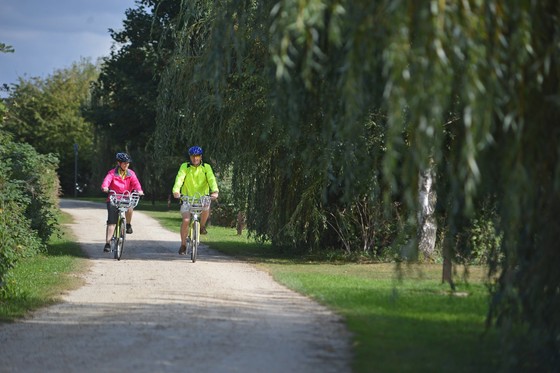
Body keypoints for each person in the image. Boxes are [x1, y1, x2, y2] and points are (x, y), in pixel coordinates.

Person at [172, 146, 219, 255]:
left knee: (206, 207)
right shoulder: (185, 167)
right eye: (193, 156)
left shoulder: (206, 167)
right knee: (186, 220)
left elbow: (211, 179)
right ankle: (183, 245)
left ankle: (202, 226)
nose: (195, 159)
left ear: (200, 157)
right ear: (190, 157)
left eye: (197, 156)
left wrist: (215, 191)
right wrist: (176, 191)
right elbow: (179, 178)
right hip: (187, 198)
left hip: (202, 198)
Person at [101, 152, 144, 252]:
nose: (126, 165)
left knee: (130, 207)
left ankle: (128, 224)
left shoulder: (131, 173)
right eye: (124, 163)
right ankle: (108, 243)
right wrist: (105, 187)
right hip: (114, 198)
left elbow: (136, 183)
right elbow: (106, 181)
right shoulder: (112, 173)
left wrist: (139, 190)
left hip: (126, 197)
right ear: (119, 163)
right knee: (112, 222)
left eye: (128, 163)